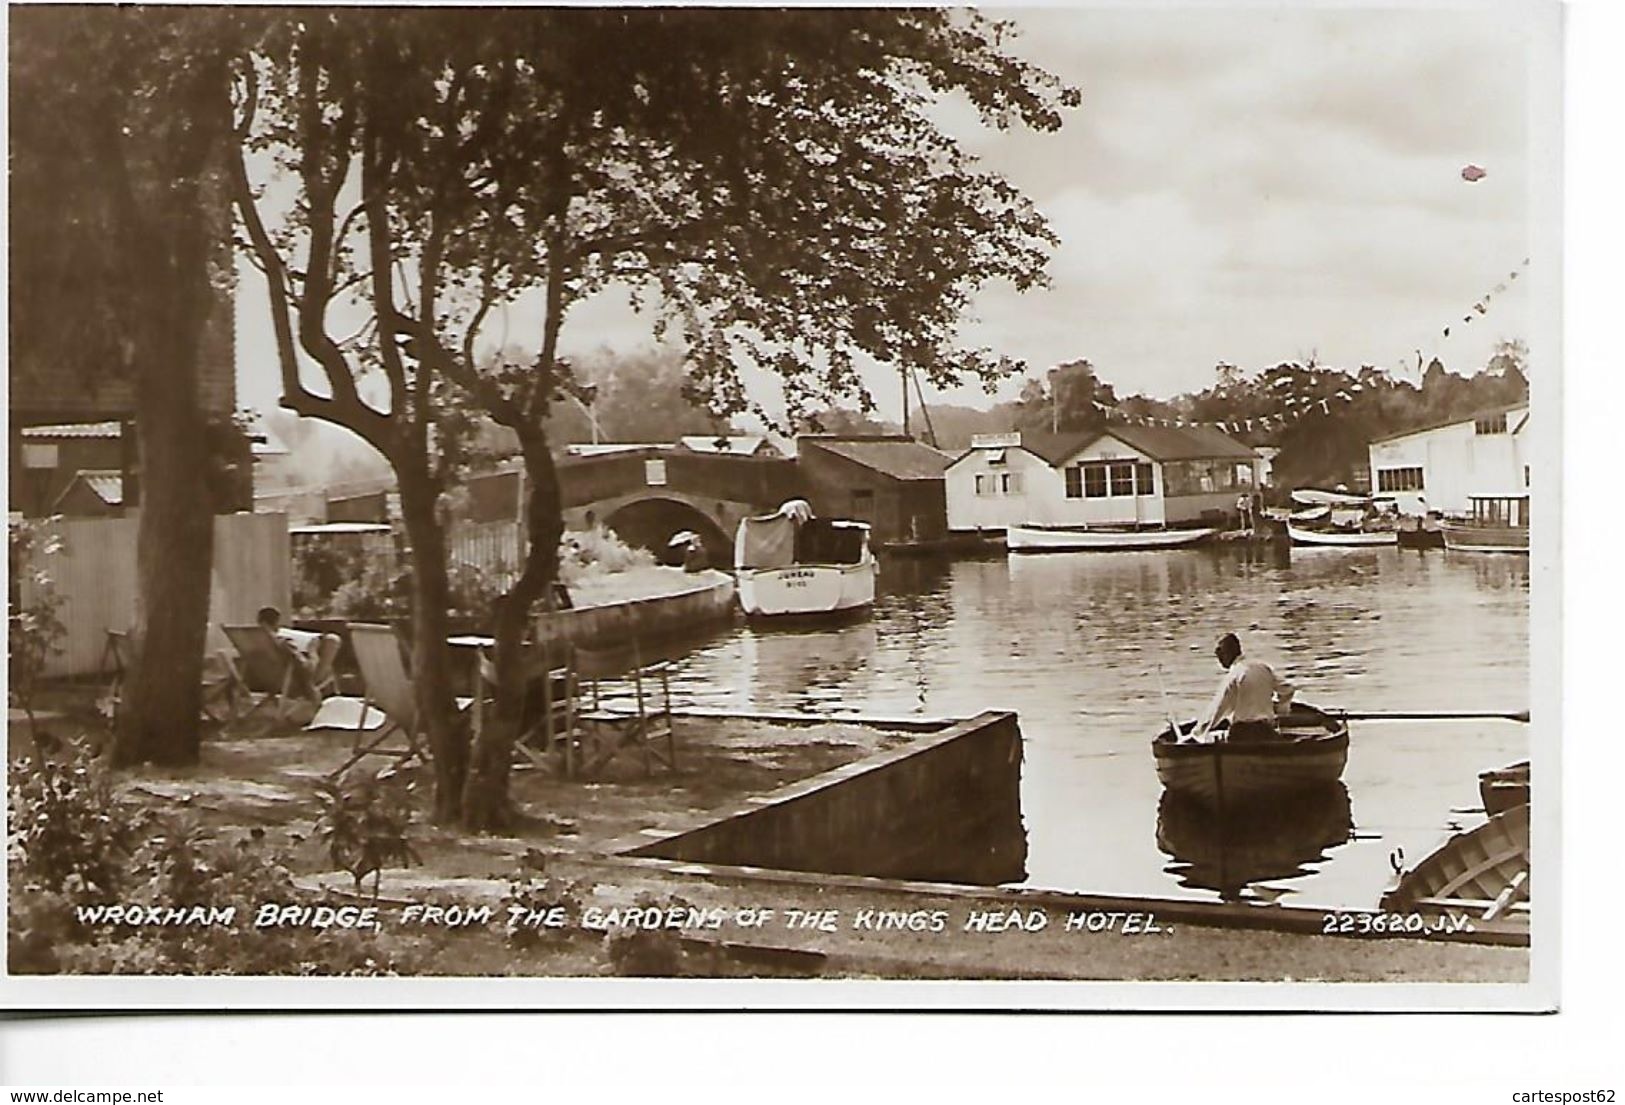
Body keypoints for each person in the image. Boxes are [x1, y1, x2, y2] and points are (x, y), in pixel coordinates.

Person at [1189, 632, 1294, 742]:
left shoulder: (1233, 675)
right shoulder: (1262, 667)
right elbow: (1288, 690)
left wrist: (1196, 734)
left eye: (1219, 653)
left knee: (1217, 736)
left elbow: (1217, 711)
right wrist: (1281, 710)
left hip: (1242, 733)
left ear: (1226, 653)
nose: (1218, 658)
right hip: (1266, 731)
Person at [257, 606, 340, 696]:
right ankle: (316, 692)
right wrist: (312, 651)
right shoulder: (283, 643)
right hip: (294, 684)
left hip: (267, 680)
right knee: (332, 641)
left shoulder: (254, 641)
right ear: (277, 622)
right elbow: (307, 668)